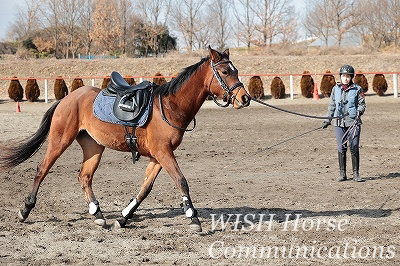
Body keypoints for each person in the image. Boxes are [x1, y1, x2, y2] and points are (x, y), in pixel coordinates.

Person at [322, 65, 366, 182]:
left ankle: (356, 174)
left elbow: (362, 104)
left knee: (354, 146)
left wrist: (359, 112)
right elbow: (332, 105)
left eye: (348, 76)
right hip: (339, 123)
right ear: (340, 77)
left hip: (353, 122)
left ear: (351, 77)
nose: (345, 78)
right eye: (343, 76)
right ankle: (343, 173)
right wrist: (328, 119)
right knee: (341, 147)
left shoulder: (358, 89)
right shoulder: (335, 89)